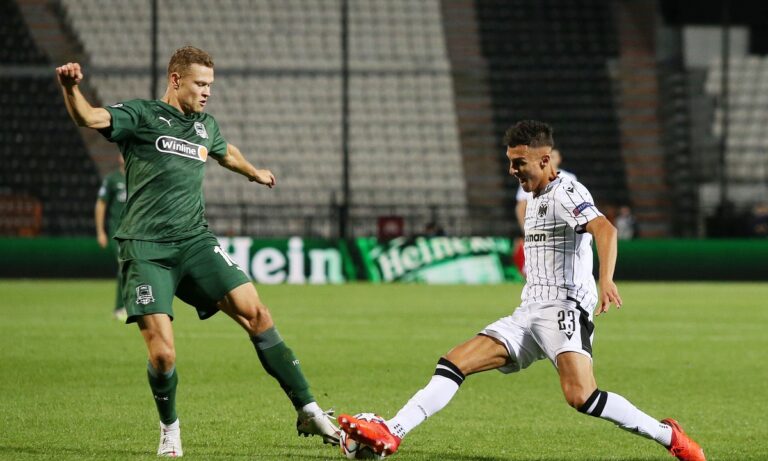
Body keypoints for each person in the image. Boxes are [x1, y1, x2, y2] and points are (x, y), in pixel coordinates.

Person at [338, 120, 705, 461]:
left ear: (545, 160)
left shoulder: (567, 192)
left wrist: (605, 279)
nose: (512, 170)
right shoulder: (533, 197)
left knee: (581, 397)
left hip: (563, 309)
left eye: (519, 163)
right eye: (510, 162)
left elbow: (605, 229)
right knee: (453, 362)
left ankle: (668, 436)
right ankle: (393, 431)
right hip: (528, 311)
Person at [56, 46, 339, 457]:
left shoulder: (206, 126)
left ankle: (308, 409)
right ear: (176, 80)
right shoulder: (141, 115)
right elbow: (90, 117)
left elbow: (226, 152)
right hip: (146, 249)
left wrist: (254, 173)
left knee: (257, 314)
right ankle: (170, 429)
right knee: (163, 356)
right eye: (200, 84)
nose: (207, 92)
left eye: (210, 85)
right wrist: (70, 89)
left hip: (195, 242)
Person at [512, 147, 576, 277]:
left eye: (553, 157)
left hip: (562, 229)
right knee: (535, 270)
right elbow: (520, 206)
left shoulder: (569, 178)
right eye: (547, 157)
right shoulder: (531, 177)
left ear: (559, 159)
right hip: (539, 227)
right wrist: (526, 230)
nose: (550, 160)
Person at [95, 154, 127, 321]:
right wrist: (100, 231)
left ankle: (134, 305)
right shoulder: (112, 179)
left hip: (136, 232)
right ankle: (120, 308)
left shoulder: (139, 178)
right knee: (125, 265)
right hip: (118, 231)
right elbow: (101, 204)